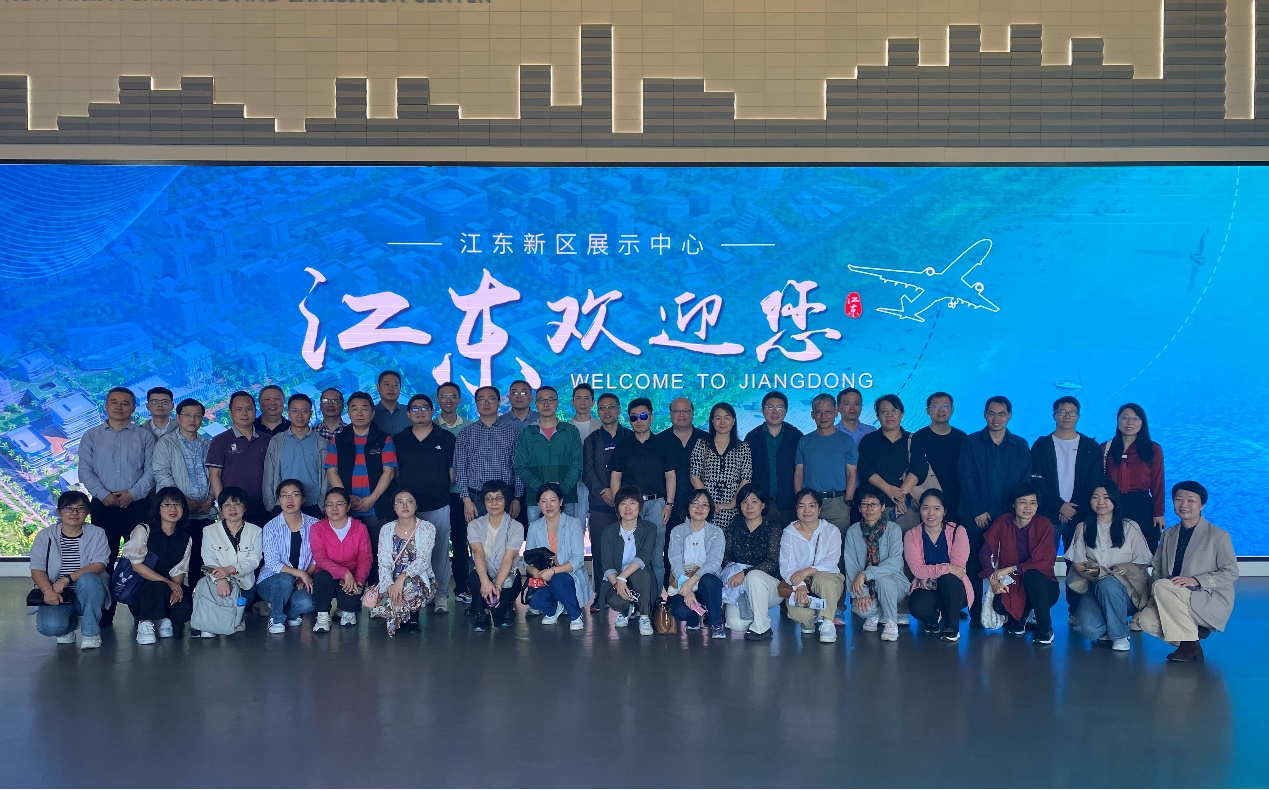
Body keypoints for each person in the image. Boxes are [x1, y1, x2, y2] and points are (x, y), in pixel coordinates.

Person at [1137, 481, 1238, 662]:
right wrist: (1155, 595)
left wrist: (1197, 580)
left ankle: (1189, 643)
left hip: (1205, 595)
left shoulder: (1218, 536)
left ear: (1202, 505)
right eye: (1179, 499)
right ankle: (1191, 642)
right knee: (1145, 620)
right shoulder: (1168, 534)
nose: (1184, 505)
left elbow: (1231, 572)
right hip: (1171, 593)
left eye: (1191, 500)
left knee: (1162, 586)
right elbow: (1158, 568)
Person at [78, 386, 155, 625]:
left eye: (125, 403)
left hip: (137, 505)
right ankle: (104, 614)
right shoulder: (91, 436)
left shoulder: (144, 436)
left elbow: (152, 470)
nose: (119, 407)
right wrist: (104, 495)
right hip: (104, 506)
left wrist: (133, 493)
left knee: (139, 558)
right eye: (114, 402)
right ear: (106, 405)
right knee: (104, 558)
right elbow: (85, 470)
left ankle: (140, 613)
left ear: (134, 407)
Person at [958, 395, 1032, 622]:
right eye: (991, 413)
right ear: (985, 415)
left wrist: (1014, 513)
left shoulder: (1020, 445)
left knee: (1009, 562)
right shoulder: (971, 442)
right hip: (974, 515)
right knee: (972, 564)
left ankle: (1009, 611)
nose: (996, 418)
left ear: (1009, 416)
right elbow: (966, 477)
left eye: (1001, 414)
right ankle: (975, 613)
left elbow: (1024, 482)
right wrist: (978, 510)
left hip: (1008, 516)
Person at [1066, 481, 1152, 651]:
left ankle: (1120, 636)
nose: (1101, 502)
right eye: (1095, 497)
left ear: (1114, 500)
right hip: (1095, 585)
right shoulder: (1083, 528)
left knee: (1108, 584)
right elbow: (1078, 562)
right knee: (1088, 629)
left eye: (1106, 497)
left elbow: (1143, 562)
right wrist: (1094, 577)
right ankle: (1113, 623)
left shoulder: (1130, 526)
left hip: (1127, 591)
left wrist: (1118, 574)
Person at [325, 391, 397, 584]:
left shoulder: (383, 439)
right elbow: (331, 471)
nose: (359, 413)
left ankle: (376, 594)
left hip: (376, 509)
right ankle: (352, 595)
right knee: (349, 556)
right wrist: (346, 498)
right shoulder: (338, 440)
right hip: (347, 510)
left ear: (372, 413)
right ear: (348, 413)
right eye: (354, 409)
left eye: (364, 408)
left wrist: (372, 498)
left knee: (378, 555)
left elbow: (388, 472)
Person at [393, 393, 455, 613]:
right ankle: (416, 595)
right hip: (407, 510)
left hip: (438, 504)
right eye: (415, 409)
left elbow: (452, 473)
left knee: (439, 553)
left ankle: (441, 595)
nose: (420, 412)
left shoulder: (446, 438)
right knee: (409, 555)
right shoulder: (399, 439)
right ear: (408, 414)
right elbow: (395, 473)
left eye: (424, 408)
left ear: (432, 411)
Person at [29, 491, 110, 650]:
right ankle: (70, 625)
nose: (74, 513)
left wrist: (67, 579)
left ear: (87, 512)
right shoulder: (45, 536)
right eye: (68, 508)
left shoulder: (97, 533)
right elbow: (37, 569)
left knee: (88, 579)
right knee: (50, 627)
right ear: (59, 511)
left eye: (80, 508)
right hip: (58, 594)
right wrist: (48, 591)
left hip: (88, 592)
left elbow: (99, 564)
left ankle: (91, 633)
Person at [980, 483, 1059, 645]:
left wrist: (1011, 568)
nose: (1028, 507)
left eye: (1033, 503)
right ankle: (1021, 616)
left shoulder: (1044, 524)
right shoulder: (1002, 522)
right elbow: (984, 553)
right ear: (1013, 504)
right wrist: (993, 579)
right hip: (1013, 584)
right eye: (1023, 502)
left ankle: (1044, 628)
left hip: (1043, 586)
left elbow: (1045, 561)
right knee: (999, 605)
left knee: (1032, 575)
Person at [609, 397, 676, 586]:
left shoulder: (663, 443)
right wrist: (619, 504)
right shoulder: (623, 445)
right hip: (630, 506)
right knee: (630, 555)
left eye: (643, 416)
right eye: (634, 417)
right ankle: (631, 597)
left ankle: (655, 599)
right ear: (629, 420)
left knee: (656, 557)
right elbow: (615, 476)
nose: (639, 420)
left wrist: (669, 504)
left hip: (657, 505)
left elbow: (670, 476)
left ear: (651, 418)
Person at [120, 487, 193, 644]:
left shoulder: (185, 538)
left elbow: (180, 569)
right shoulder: (144, 530)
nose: (172, 509)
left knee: (185, 603)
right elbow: (137, 566)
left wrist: (176, 588)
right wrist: (168, 583)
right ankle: (145, 623)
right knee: (156, 587)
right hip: (140, 588)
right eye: (166, 505)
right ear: (158, 509)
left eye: (177, 504)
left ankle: (162, 619)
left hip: (167, 587)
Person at [1031, 396, 1101, 552]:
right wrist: (1060, 505)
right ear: (1054, 415)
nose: (1067, 416)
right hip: (1048, 513)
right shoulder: (1041, 446)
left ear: (1078, 416)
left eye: (1072, 412)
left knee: (1080, 561)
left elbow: (1094, 481)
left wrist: (1070, 508)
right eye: (1062, 411)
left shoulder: (1090, 447)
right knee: (1043, 558)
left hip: (1080, 513)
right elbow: (1036, 480)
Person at [192, 486, 264, 638]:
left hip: (244, 584)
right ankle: (212, 622)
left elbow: (254, 559)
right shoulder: (209, 530)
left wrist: (230, 569)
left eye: (237, 504)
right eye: (227, 505)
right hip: (217, 581)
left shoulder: (256, 531)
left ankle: (236, 618)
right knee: (217, 595)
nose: (232, 508)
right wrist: (221, 579)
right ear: (221, 509)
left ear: (244, 508)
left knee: (241, 599)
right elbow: (209, 559)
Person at [904, 489, 972, 642]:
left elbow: (958, 569)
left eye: (936, 508)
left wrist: (929, 576)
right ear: (920, 510)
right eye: (925, 508)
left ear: (944, 511)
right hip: (927, 589)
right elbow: (917, 569)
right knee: (918, 607)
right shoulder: (911, 535)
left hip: (953, 589)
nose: (931, 513)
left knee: (950, 580)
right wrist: (946, 568)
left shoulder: (958, 531)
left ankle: (952, 627)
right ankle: (933, 618)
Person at [584, 392, 632, 607]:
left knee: (628, 550)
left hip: (627, 504)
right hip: (599, 502)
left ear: (619, 410)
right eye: (602, 408)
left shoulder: (630, 437)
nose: (607, 411)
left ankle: (629, 596)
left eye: (611, 407)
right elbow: (587, 471)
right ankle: (601, 595)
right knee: (600, 549)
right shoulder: (592, 440)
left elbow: (634, 470)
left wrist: (619, 495)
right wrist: (604, 491)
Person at [720, 483, 784, 640]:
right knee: (736, 625)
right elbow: (727, 556)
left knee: (753, 576)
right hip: (740, 586)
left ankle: (762, 628)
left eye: (754, 501)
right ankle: (754, 614)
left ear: (763, 505)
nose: (749, 506)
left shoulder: (773, 527)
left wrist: (745, 573)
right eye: (744, 502)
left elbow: (773, 561)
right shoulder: (735, 526)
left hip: (770, 587)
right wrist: (734, 573)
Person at [843, 488, 908, 642]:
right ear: (859, 508)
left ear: (883, 507)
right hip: (866, 586)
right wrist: (862, 595)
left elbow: (894, 563)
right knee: (863, 610)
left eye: (874, 504)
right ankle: (878, 613)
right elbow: (851, 566)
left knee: (883, 580)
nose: (869, 508)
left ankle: (891, 622)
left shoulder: (893, 529)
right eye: (865, 504)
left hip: (895, 584)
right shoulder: (852, 532)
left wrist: (866, 574)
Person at [780, 489, 844, 644]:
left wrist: (807, 571)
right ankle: (809, 622)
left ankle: (827, 622)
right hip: (799, 581)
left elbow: (831, 561)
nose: (807, 510)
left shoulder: (831, 531)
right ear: (796, 509)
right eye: (802, 506)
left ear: (819, 509)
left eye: (812, 505)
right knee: (800, 613)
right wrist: (800, 585)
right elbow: (787, 566)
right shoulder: (789, 533)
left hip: (829, 579)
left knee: (823, 579)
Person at [370, 487, 437, 636]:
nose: (404, 506)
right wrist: (389, 586)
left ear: (416, 505)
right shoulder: (386, 529)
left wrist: (402, 578)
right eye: (399, 502)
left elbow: (423, 561)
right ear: (394, 507)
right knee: (383, 603)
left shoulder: (427, 528)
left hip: (418, 578)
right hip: (392, 580)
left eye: (409, 502)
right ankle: (400, 613)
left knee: (411, 587)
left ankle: (412, 617)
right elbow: (383, 561)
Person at [524, 483, 590, 631]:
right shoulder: (534, 527)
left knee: (559, 579)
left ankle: (575, 616)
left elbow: (578, 559)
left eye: (552, 500)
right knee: (533, 600)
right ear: (538, 504)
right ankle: (553, 609)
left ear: (560, 502)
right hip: (543, 577)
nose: (548, 505)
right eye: (543, 501)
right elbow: (527, 559)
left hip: (568, 576)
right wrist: (534, 571)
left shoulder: (573, 523)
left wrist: (553, 571)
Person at [256, 480, 318, 634]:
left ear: (302, 499)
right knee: (284, 578)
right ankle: (276, 619)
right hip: (271, 581)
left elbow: (317, 558)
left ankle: (280, 607)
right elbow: (272, 563)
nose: (289, 500)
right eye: (284, 495)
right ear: (279, 500)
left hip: (299, 582)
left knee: (307, 604)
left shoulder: (315, 525)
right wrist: (301, 573)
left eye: (295, 495)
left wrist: (305, 575)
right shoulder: (270, 527)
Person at [1103, 403, 1166, 552]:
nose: (1130, 422)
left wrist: (1158, 513)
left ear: (1142, 422)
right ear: (1118, 420)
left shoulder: (1153, 449)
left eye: (1136, 418)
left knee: (1144, 549)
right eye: (1125, 417)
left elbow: (1158, 483)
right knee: (1112, 548)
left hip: (1141, 504)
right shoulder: (1105, 448)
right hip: (1111, 504)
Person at [455, 386, 523, 522]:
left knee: (506, 534)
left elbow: (518, 466)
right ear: (476, 403)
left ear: (499, 402)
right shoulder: (466, 433)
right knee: (477, 535)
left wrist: (517, 498)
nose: (486, 403)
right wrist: (466, 499)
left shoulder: (512, 432)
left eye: (491, 399)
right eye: (482, 400)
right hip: (475, 498)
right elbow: (460, 468)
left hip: (505, 497)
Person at [514, 385, 583, 521]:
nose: (546, 404)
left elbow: (577, 465)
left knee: (567, 533)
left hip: (566, 497)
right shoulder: (527, 433)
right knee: (537, 534)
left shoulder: (570, 431)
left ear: (557, 403)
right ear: (536, 404)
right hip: (536, 498)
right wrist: (542, 489)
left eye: (550, 400)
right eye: (541, 400)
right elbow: (521, 467)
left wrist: (560, 490)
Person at [309, 487, 373, 632]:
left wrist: (359, 581)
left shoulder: (360, 528)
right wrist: (344, 572)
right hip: (328, 574)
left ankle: (347, 611)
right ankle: (323, 615)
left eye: (339, 504)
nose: (334, 508)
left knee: (349, 603)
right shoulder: (317, 528)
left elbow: (365, 558)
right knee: (322, 578)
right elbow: (320, 558)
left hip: (353, 576)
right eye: (329, 504)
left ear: (348, 506)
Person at [598, 485, 659, 636]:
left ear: (640, 506)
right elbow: (607, 563)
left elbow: (645, 556)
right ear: (617, 508)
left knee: (641, 573)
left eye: (632, 503)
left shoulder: (650, 528)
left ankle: (644, 617)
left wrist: (623, 577)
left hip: (639, 576)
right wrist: (617, 583)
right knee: (616, 601)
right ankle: (626, 610)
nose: (628, 508)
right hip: (616, 577)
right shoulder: (608, 531)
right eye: (623, 503)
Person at [666, 488, 727, 638]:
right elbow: (674, 561)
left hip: (707, 584)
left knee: (709, 580)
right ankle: (693, 619)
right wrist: (687, 589)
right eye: (695, 503)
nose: (700, 508)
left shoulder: (716, 532)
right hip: (683, 581)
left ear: (710, 509)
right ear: (688, 506)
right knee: (680, 611)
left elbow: (714, 562)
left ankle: (716, 623)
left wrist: (692, 581)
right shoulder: (677, 531)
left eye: (705, 505)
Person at [793, 392, 858, 532]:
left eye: (828, 412)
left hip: (838, 502)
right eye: (819, 412)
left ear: (836, 413)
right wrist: (800, 499)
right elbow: (799, 472)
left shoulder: (846, 441)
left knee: (838, 543)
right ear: (812, 415)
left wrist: (848, 500)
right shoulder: (804, 441)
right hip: (810, 503)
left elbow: (851, 473)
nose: (823, 417)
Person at [206, 390, 271, 528]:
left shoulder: (267, 440)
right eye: (239, 409)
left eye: (249, 409)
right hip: (234, 511)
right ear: (230, 413)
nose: (244, 413)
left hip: (266, 508)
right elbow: (214, 475)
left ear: (255, 411)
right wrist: (223, 506)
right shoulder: (219, 441)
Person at [466, 480, 524, 631]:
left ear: (506, 500)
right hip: (485, 574)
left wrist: (497, 585)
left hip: (506, 575)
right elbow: (478, 553)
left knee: (502, 610)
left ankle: (506, 606)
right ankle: (482, 612)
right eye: (489, 499)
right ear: (483, 502)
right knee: (475, 579)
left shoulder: (516, 527)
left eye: (498, 498)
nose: (494, 503)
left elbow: (508, 558)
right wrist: (485, 581)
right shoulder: (474, 525)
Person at [152, 397, 215, 536]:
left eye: (197, 416)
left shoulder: (208, 444)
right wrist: (183, 500)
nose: (192, 419)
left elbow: (215, 475)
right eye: (187, 415)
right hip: (175, 514)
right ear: (178, 417)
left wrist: (209, 500)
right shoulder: (166, 443)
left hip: (205, 512)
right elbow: (162, 474)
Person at [902, 392, 966, 522]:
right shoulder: (918, 438)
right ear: (927, 411)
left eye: (945, 406)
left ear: (952, 410)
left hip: (957, 500)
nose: (941, 410)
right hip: (927, 501)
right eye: (936, 406)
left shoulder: (962, 438)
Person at [435, 381, 472, 604]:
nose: (448, 400)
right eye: (443, 396)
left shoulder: (469, 427)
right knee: (434, 543)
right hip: (436, 495)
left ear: (459, 400)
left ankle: (462, 587)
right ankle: (432, 589)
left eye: (452, 396)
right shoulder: (429, 426)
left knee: (460, 542)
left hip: (461, 494)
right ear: (437, 400)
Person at [689, 402, 752, 534]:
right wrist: (708, 502)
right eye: (718, 418)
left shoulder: (743, 447)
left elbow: (746, 478)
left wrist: (733, 503)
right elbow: (694, 475)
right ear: (712, 421)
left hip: (733, 507)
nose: (722, 422)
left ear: (733, 421)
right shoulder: (701, 444)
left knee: (729, 542)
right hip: (705, 507)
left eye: (727, 418)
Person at [263, 393, 328, 519]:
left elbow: (326, 478)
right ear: (288, 413)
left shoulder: (321, 443)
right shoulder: (277, 441)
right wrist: (271, 505)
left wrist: (322, 506)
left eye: (304, 411)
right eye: (294, 411)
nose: (299, 416)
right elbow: (269, 474)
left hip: (313, 505)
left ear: (311, 413)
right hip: (284, 505)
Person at [745, 391, 804, 527]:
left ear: (786, 411)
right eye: (770, 407)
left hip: (789, 504)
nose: (775, 412)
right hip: (760, 505)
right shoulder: (752, 437)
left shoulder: (796, 437)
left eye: (779, 407)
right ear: (762, 410)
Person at [856, 394, 914, 527]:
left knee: (908, 539)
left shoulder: (913, 440)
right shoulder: (869, 440)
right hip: (874, 507)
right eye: (884, 411)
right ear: (877, 416)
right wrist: (888, 489)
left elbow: (918, 469)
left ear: (902, 414)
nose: (889, 415)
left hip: (904, 506)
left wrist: (900, 497)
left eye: (894, 410)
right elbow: (865, 468)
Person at [660, 396, 708, 526]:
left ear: (693, 413)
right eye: (676, 411)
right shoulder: (659, 441)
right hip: (667, 509)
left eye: (686, 410)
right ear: (670, 414)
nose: (681, 415)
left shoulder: (707, 440)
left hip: (701, 508)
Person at [569, 383, 600, 518]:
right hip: (573, 484)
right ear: (572, 402)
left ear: (593, 402)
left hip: (596, 484)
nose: (582, 402)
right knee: (575, 524)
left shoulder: (601, 427)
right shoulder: (564, 428)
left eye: (587, 398)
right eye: (578, 398)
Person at [373, 370, 410, 436]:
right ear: (378, 387)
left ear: (400, 389)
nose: (391, 388)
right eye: (387, 384)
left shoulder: (410, 412)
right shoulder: (370, 413)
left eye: (395, 385)